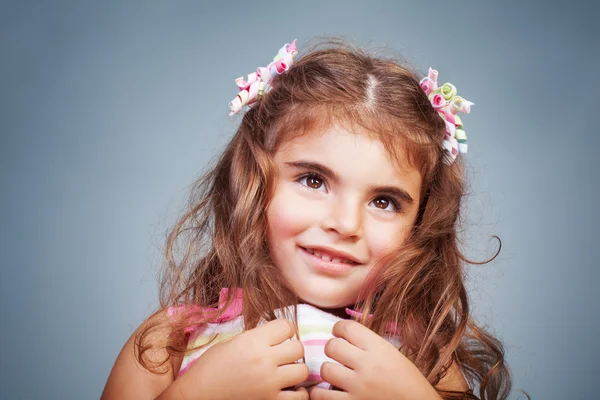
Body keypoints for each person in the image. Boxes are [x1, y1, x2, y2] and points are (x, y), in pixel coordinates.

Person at [102, 39, 512, 400]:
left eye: (384, 202)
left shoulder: (423, 357)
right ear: (253, 182)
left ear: (420, 224)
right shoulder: (170, 342)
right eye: (313, 180)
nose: (345, 224)